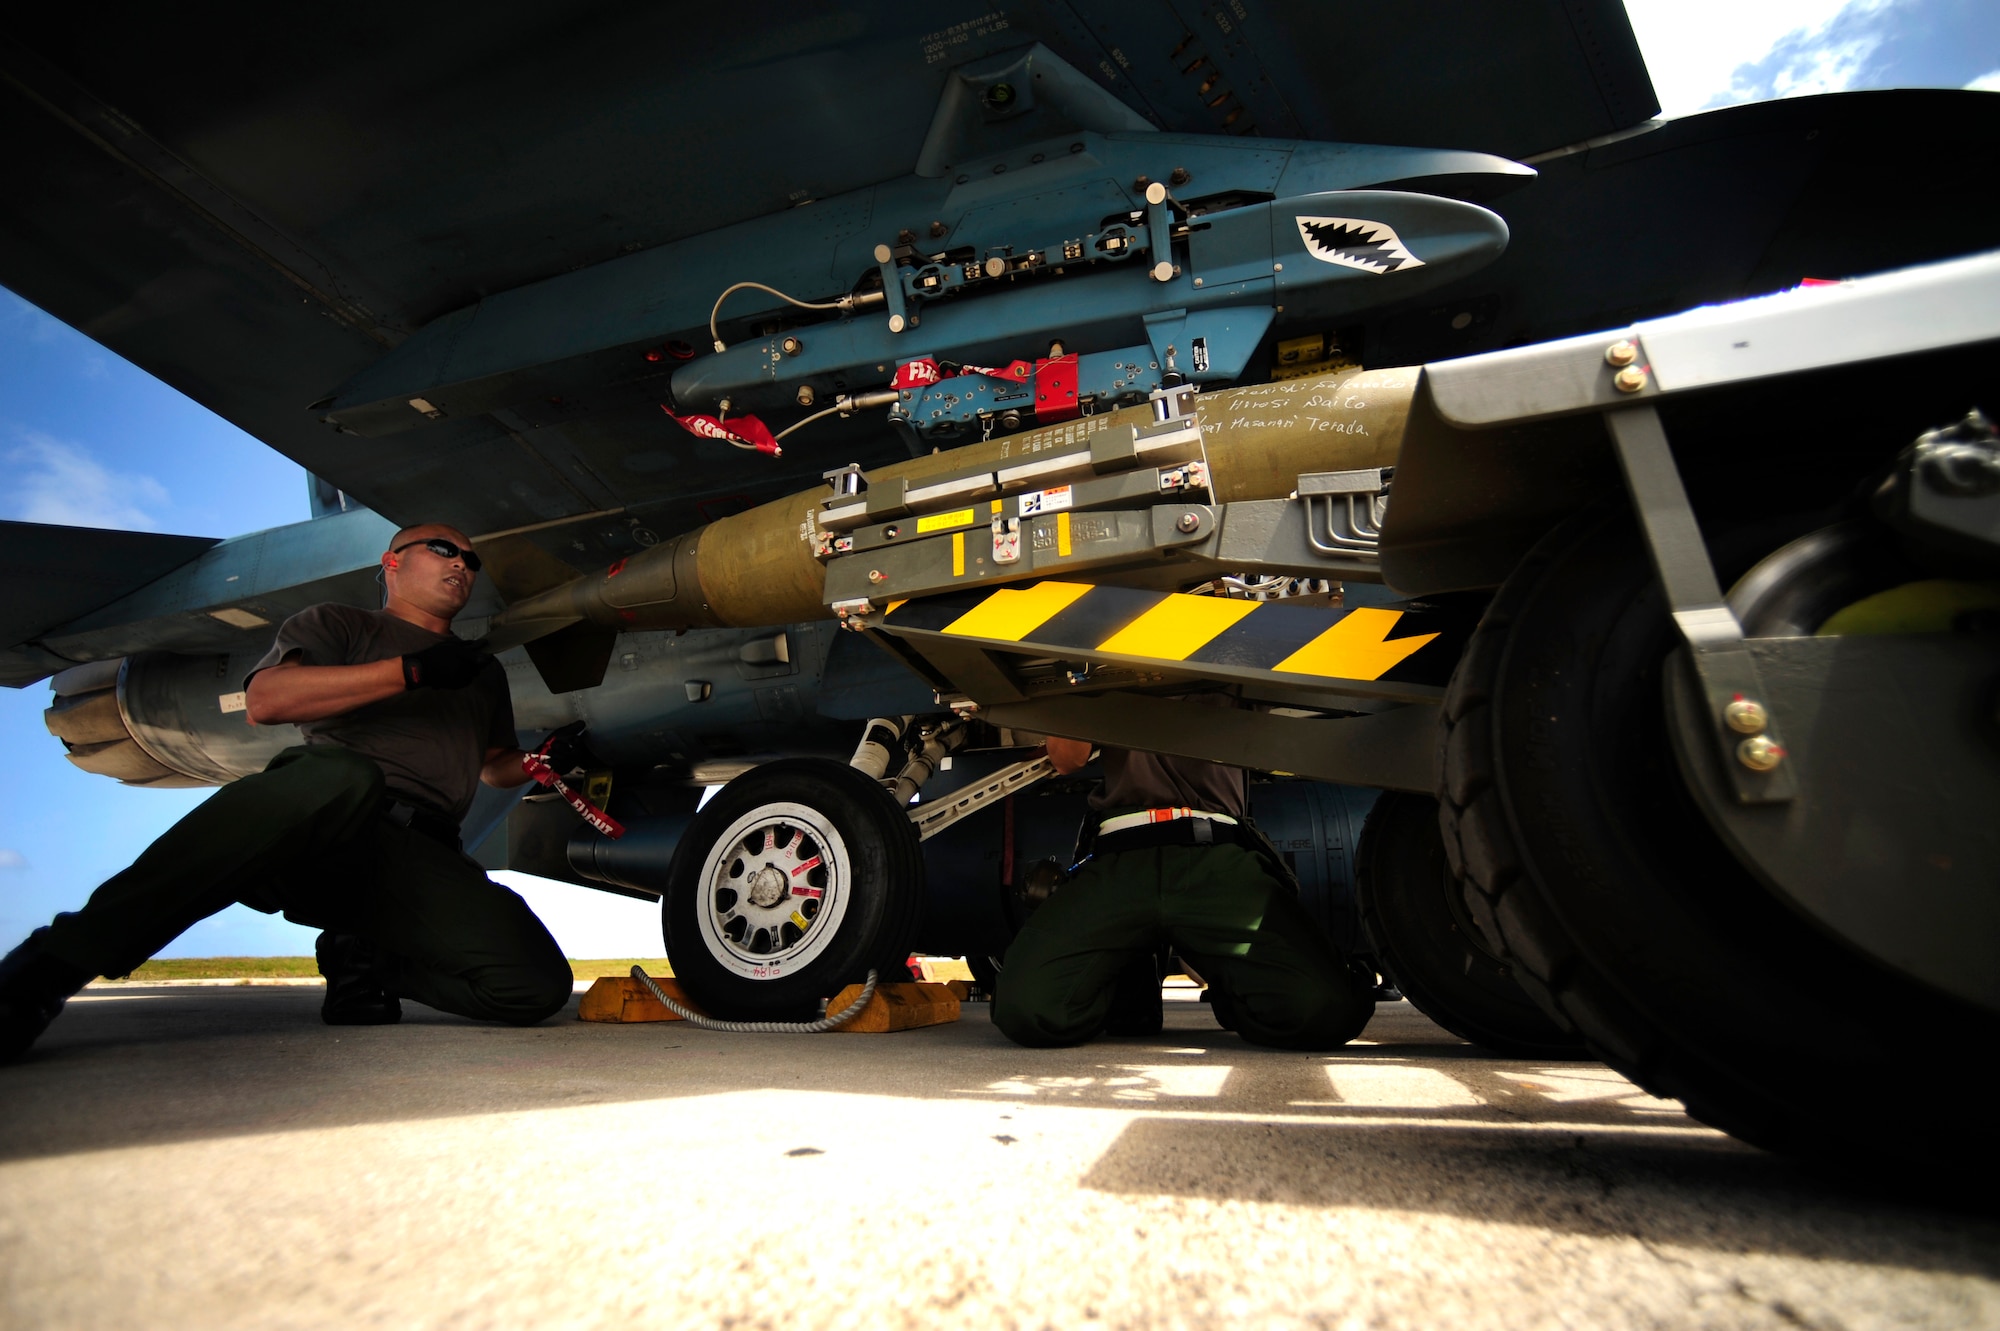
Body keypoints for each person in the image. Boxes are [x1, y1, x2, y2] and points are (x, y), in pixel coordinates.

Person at [0, 524, 578, 1062]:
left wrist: (538, 763)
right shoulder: (340, 624)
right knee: (341, 776)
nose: (462, 563)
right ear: (393, 562)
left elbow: (494, 767)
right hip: (322, 824)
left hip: (418, 853)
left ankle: (369, 960)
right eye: (442, 550)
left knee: (533, 987)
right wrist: (412, 671)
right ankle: (47, 970)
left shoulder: (481, 672)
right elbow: (267, 702)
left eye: (471, 559)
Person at [991, 719, 1375, 1050]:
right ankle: (1129, 973)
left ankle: (1232, 986)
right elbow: (1066, 757)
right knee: (1027, 1009)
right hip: (1123, 856)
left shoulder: (1241, 644)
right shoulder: (1100, 655)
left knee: (1327, 1012)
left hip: (1217, 854)